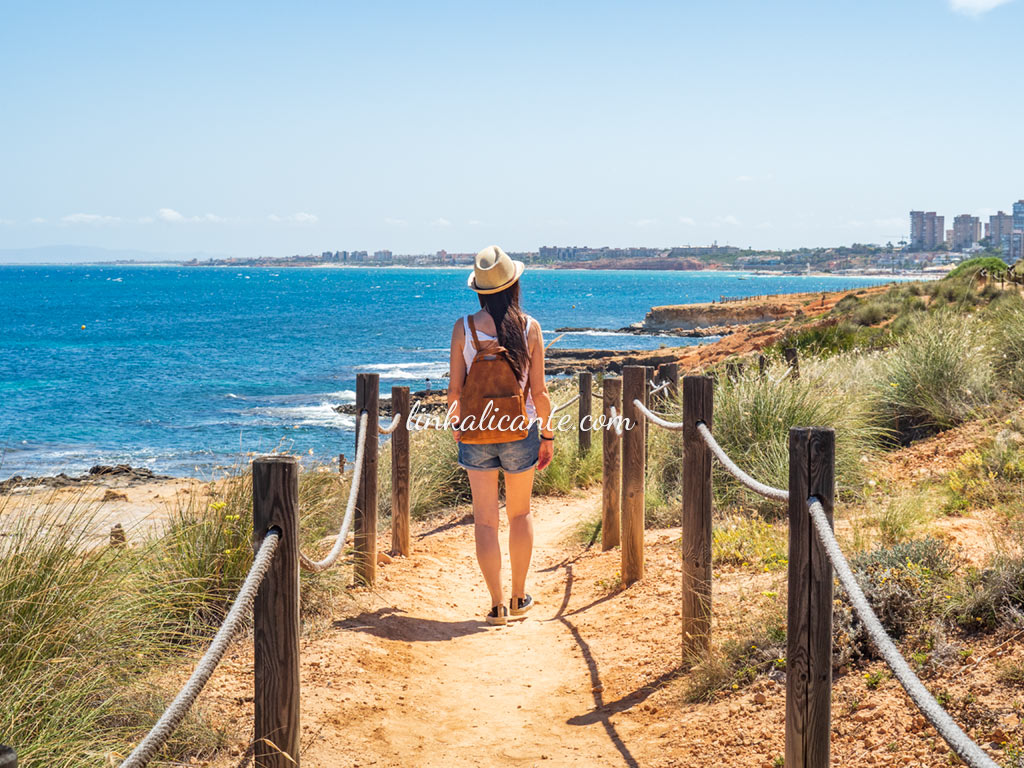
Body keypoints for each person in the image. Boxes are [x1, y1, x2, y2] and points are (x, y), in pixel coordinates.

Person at [448, 245, 554, 626]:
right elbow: (539, 394)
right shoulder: (529, 328)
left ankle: (496, 606)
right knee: (520, 513)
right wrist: (548, 435)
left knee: (485, 521)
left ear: (478, 289)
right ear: (514, 286)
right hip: (520, 431)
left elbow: (454, 393)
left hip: (476, 433)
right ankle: (519, 595)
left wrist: (459, 426)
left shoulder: (464, 328)